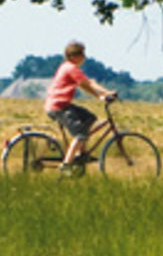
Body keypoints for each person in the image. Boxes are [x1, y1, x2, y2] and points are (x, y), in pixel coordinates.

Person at [45, 41, 117, 170]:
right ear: (74, 56)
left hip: (61, 104)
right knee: (80, 133)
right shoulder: (71, 68)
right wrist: (107, 92)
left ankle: (80, 154)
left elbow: (84, 85)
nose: (84, 57)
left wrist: (99, 96)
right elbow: (88, 83)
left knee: (89, 117)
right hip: (59, 107)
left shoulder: (66, 67)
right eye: (82, 54)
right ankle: (66, 164)